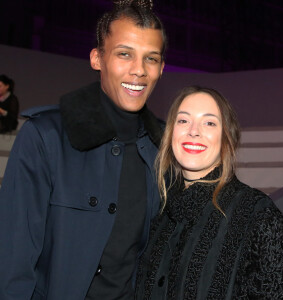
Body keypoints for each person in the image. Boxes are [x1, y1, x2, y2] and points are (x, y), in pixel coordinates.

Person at [0, 0, 166, 299]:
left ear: (161, 68)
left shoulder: (163, 149)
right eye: (124, 54)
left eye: (151, 58)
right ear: (97, 59)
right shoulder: (45, 136)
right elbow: (13, 261)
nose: (139, 70)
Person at [135, 86, 283, 299]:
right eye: (183, 120)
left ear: (227, 138)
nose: (193, 131)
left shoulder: (259, 217)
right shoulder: (157, 212)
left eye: (209, 123)